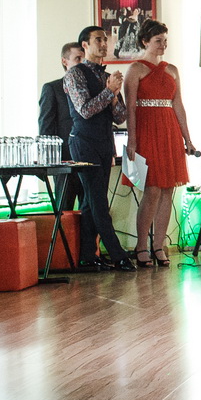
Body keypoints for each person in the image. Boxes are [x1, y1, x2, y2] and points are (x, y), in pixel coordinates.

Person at [123, 20, 201, 267]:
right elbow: (130, 108)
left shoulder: (172, 70)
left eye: (165, 41)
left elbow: (178, 105)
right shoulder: (135, 69)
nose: (163, 45)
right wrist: (132, 140)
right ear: (145, 41)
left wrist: (188, 138)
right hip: (146, 130)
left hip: (169, 130)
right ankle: (141, 246)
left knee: (168, 189)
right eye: (158, 41)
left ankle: (159, 245)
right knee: (153, 189)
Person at [64, 26, 137, 271]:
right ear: (85, 45)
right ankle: (117, 255)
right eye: (98, 39)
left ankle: (88, 256)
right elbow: (85, 110)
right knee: (98, 201)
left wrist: (114, 95)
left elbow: (120, 116)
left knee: (90, 202)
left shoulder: (106, 75)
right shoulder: (75, 74)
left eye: (105, 39)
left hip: (105, 142)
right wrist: (109, 91)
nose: (104, 44)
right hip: (83, 142)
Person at [37, 40, 85, 212]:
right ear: (65, 61)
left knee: (90, 209)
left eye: (84, 59)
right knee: (64, 209)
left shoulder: (90, 89)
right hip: (63, 159)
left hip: (88, 157)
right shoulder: (53, 88)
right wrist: (47, 159)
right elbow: (46, 126)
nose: (82, 63)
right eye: (77, 59)